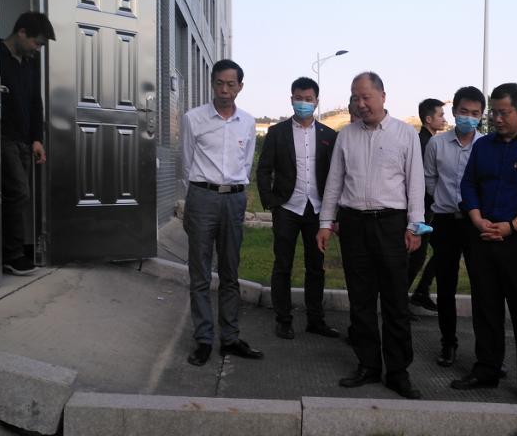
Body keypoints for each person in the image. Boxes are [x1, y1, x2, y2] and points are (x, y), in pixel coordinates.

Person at [317, 72, 426, 399]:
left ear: (382, 96)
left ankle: (398, 371)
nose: (361, 103)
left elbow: (415, 184)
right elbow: (334, 182)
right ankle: (367, 364)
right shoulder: (346, 136)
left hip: (391, 224)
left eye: (366, 97)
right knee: (361, 299)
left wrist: (415, 226)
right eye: (355, 97)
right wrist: (326, 222)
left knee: (395, 300)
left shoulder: (405, 134)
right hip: (353, 225)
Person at [452, 83, 517, 404]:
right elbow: (468, 184)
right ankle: (487, 369)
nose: (497, 119)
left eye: (504, 113)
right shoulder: (484, 146)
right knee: (485, 309)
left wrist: (512, 227)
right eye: (494, 113)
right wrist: (476, 218)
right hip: (483, 236)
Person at [181, 59, 262, 366]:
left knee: (230, 271)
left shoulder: (247, 122)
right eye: (219, 83)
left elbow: (246, 162)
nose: (224, 90)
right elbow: (186, 161)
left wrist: (235, 190)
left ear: (240, 87)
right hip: (202, 198)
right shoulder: (193, 119)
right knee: (200, 272)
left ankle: (230, 338)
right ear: (212, 84)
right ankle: (203, 338)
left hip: (234, 200)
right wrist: (198, 193)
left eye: (231, 84)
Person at [256, 77, 340, 341]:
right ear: (291, 99)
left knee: (316, 267)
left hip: (317, 210)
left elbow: (336, 174)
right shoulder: (277, 132)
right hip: (287, 208)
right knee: (283, 265)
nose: (303, 103)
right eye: (298, 98)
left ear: (317, 102)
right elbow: (263, 169)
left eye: (308, 99)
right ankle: (283, 319)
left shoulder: (329, 135)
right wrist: (270, 200)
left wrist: (333, 212)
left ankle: (316, 320)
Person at [423, 87, 486, 367]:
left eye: (475, 113)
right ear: (454, 111)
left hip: (476, 225)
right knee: (445, 287)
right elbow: (429, 179)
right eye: (463, 112)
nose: (468, 118)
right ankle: (448, 343)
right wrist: (444, 199)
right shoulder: (436, 144)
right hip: (446, 222)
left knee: (482, 287)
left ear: (481, 116)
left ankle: (487, 351)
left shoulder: (486, 145)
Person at [0, 12, 54, 276]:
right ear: (21, 33)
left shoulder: (30, 63)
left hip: (23, 140)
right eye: (37, 43)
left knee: (15, 195)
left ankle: (7, 253)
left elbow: (35, 103)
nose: (38, 49)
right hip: (3, 136)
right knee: (19, 192)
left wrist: (36, 139)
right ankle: (13, 255)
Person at [408, 98, 446, 313]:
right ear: (429, 119)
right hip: (422, 210)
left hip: (430, 208)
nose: (444, 119)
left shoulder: (428, 140)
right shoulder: (424, 143)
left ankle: (421, 291)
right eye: (441, 115)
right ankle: (401, 301)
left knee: (439, 250)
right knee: (416, 257)